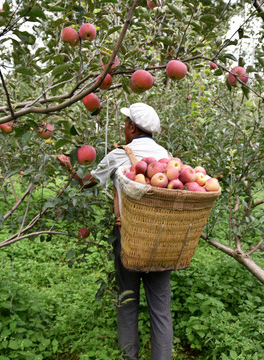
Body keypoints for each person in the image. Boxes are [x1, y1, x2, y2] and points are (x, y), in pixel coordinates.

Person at [58, 103, 173, 360]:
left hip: (129, 237)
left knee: (127, 302)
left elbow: (89, 182)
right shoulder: (166, 156)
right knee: (161, 309)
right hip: (162, 239)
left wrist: (69, 166)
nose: (123, 128)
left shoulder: (120, 154)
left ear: (132, 127)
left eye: (125, 123)